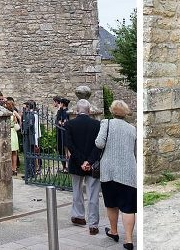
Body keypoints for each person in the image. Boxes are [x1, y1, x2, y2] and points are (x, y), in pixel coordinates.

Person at [91, 100, 136, 250]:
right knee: (128, 206)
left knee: (111, 203)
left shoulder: (106, 123)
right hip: (128, 171)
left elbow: (99, 143)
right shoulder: (132, 128)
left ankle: (114, 231)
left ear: (112, 111)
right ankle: (129, 240)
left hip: (109, 170)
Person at [64, 99, 101, 234]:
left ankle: (79, 216)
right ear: (89, 110)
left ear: (77, 111)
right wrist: (89, 162)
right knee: (93, 194)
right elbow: (98, 145)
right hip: (93, 164)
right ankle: (93, 224)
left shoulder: (70, 124)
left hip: (76, 163)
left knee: (77, 191)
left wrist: (81, 162)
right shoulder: (97, 124)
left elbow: (70, 145)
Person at [22, 100, 40, 177]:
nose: (25, 108)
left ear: (28, 106)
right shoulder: (28, 114)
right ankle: (29, 172)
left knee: (30, 155)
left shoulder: (31, 114)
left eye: (26, 106)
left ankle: (30, 173)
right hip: (28, 136)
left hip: (29, 137)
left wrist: (24, 131)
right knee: (28, 155)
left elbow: (30, 125)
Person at [5, 98, 22, 176]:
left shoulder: (13, 112)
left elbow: (20, 118)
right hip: (6, 132)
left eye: (7, 104)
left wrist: (19, 125)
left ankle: (14, 168)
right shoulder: (5, 112)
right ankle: (9, 168)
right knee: (8, 151)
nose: (6, 105)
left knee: (14, 151)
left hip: (12, 131)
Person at [56, 97, 70, 172]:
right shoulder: (62, 111)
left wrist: (61, 123)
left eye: (60, 103)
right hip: (61, 132)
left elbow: (65, 122)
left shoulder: (66, 112)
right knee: (63, 149)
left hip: (65, 132)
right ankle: (65, 166)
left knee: (67, 149)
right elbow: (58, 120)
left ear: (62, 104)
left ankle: (68, 166)